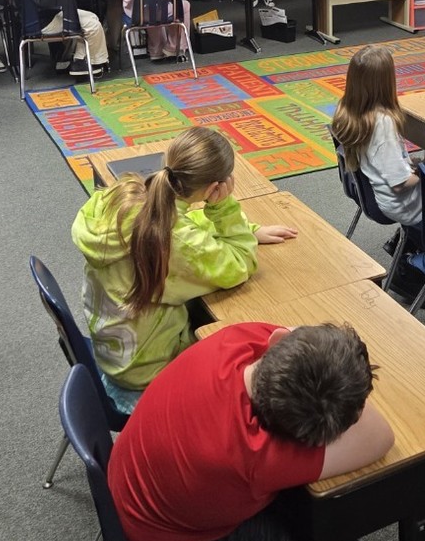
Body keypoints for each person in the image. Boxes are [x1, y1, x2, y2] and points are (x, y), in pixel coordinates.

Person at [107, 320, 393, 541]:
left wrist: (327, 362)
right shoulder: (255, 456)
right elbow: (381, 436)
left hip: (137, 497)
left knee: (303, 505)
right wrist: (348, 392)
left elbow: (289, 332)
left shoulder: (234, 341)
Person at [72, 126, 298, 400]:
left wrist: (248, 230)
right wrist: (224, 208)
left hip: (115, 350)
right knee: (258, 348)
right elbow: (240, 264)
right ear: (215, 188)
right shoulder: (175, 241)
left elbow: (183, 226)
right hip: (148, 369)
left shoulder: (124, 192)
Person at [331, 45, 425, 308]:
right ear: (385, 83)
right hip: (397, 201)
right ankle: (416, 259)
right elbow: (400, 184)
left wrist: (413, 165)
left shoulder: (345, 109)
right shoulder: (382, 123)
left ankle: (408, 244)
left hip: (370, 192)